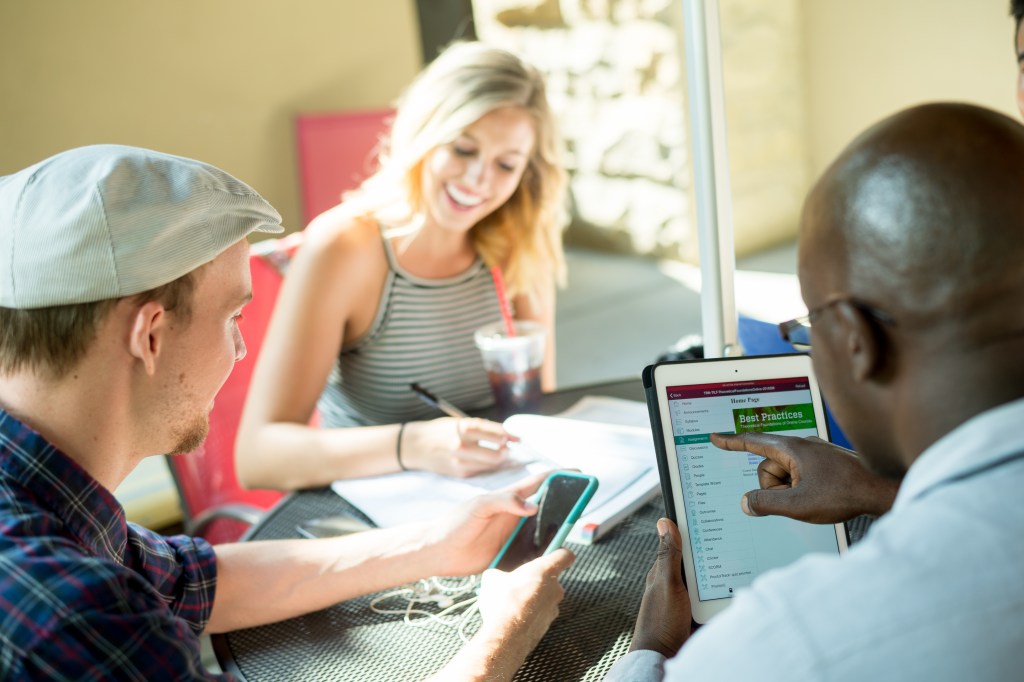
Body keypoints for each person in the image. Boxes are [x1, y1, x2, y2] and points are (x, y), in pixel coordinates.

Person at [0, 144, 575, 680]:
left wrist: (435, 545)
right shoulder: (75, 617)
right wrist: (508, 632)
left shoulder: (48, 500)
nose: (242, 349)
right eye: (234, 320)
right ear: (150, 334)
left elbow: (190, 582)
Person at [608, 103, 1024, 679]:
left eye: (808, 328)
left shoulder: (802, 639)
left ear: (857, 341)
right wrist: (884, 491)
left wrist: (652, 650)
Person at [235, 41, 568, 490]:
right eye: (463, 149)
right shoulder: (346, 247)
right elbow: (259, 456)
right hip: (380, 514)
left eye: (505, 164)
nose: (478, 180)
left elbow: (535, 413)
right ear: (424, 134)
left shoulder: (518, 244)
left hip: (497, 496)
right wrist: (413, 445)